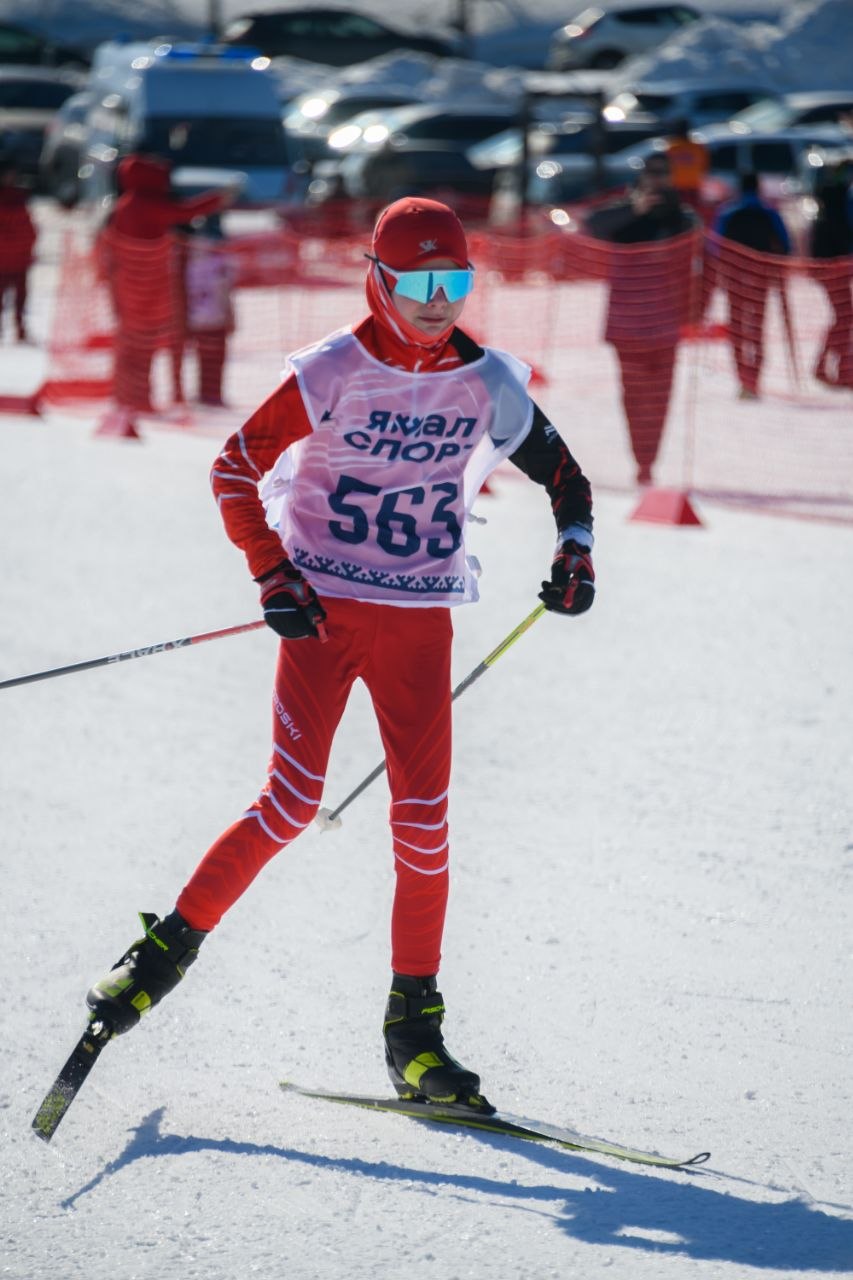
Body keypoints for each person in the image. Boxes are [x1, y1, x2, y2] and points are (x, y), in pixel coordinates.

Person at [84, 197, 595, 1108]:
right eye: (418, 283)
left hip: (418, 625)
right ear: (379, 279)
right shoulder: (334, 368)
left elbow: (566, 479)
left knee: (424, 827)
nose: (437, 303)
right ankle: (158, 957)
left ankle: (414, 1034)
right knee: (289, 803)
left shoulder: (486, 381)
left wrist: (575, 550)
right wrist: (272, 574)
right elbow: (233, 466)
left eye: (455, 282)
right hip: (324, 615)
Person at [97, 154, 236, 429]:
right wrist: (219, 198)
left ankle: (130, 396)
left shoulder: (125, 204)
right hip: (146, 287)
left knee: (134, 343)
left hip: (130, 284)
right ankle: (137, 398)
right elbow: (184, 212)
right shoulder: (143, 204)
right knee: (143, 344)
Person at [585, 153, 698, 487]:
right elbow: (593, 225)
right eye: (653, 173)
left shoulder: (681, 215)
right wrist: (635, 210)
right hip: (627, 325)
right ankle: (641, 459)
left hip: (666, 323)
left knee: (660, 399)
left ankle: (650, 460)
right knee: (634, 398)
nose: (658, 180)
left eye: (664, 173)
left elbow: (699, 246)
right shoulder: (622, 210)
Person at [712, 171, 791, 400]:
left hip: (734, 278)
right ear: (758, 188)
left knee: (737, 329)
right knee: (757, 328)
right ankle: (754, 381)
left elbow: (714, 246)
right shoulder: (769, 212)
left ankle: (743, 380)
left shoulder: (727, 212)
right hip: (761, 278)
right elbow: (785, 244)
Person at [175, 215, 237, 407]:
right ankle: (212, 393)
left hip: (197, 317)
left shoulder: (187, 261)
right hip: (213, 317)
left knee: (204, 357)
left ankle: (206, 393)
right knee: (215, 358)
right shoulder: (219, 262)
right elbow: (224, 292)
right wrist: (231, 315)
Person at [809, 160, 853, 389]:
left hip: (828, 268)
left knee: (844, 317)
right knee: (845, 317)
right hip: (837, 268)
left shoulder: (824, 205)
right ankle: (839, 370)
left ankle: (833, 367)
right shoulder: (839, 206)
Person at [0, 156, 37, 343]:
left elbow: (29, 230)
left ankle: (20, 329)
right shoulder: (17, 200)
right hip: (7, 259)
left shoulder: (20, 199)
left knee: (20, 298)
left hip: (19, 259)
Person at [663, 119, 709, 212]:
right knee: (694, 211)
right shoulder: (697, 147)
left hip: (677, 187)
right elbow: (704, 167)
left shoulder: (671, 148)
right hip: (693, 186)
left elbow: (666, 168)